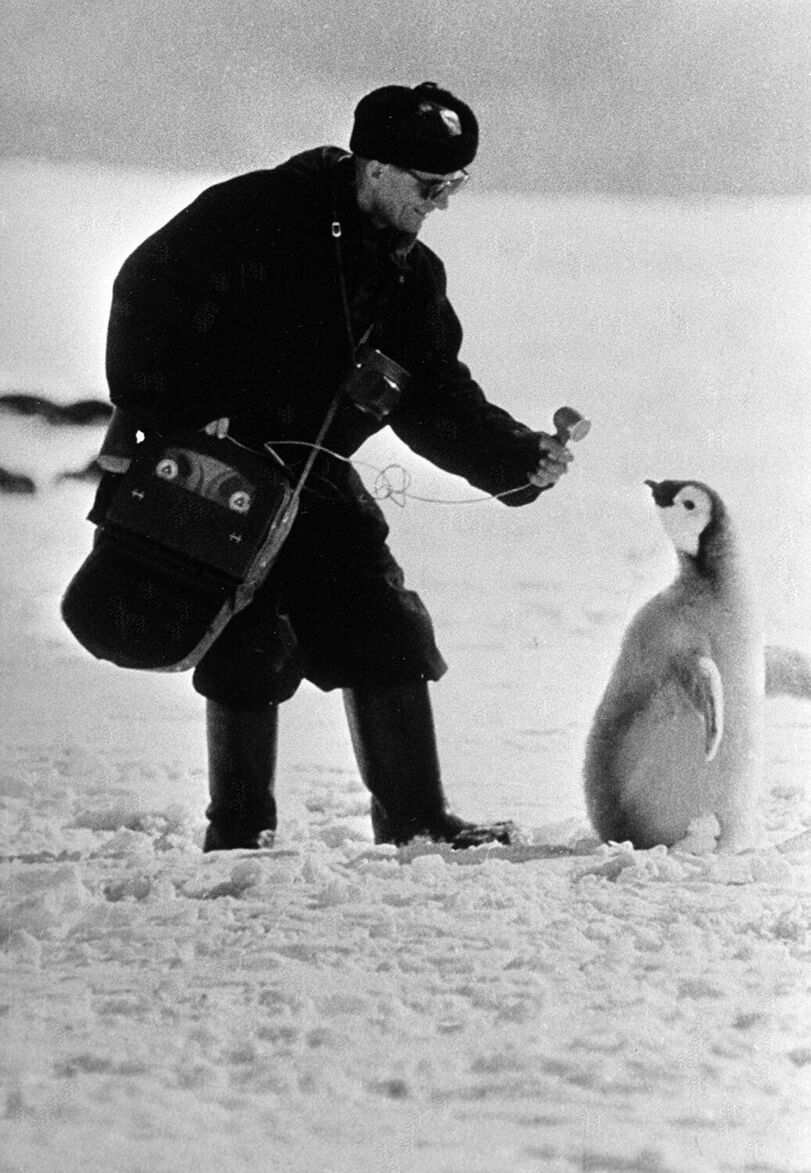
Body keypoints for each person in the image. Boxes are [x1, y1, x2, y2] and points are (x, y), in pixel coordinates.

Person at [101, 81, 574, 852]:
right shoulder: (252, 213)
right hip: (209, 469)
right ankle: (240, 829)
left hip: (308, 474)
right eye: (431, 186)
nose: (442, 203)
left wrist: (515, 459)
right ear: (377, 167)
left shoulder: (408, 275)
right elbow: (142, 292)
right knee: (246, 641)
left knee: (383, 623)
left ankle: (415, 821)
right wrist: (178, 412)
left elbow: (432, 394)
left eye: (455, 185)